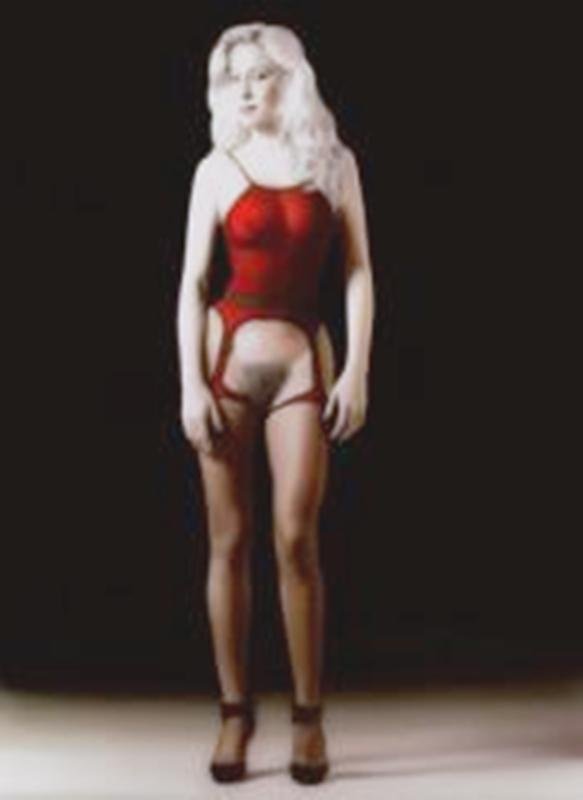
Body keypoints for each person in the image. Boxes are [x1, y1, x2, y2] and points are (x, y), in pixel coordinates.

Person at [176, 21, 374, 784]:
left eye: (260, 73)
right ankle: (233, 714)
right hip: (225, 359)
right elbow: (194, 284)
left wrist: (356, 370)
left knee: (295, 538)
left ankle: (307, 717)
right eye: (234, 77)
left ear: (291, 78)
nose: (246, 88)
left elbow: (357, 271)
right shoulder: (215, 169)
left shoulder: (334, 163)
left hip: (301, 364)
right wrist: (190, 384)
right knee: (228, 541)